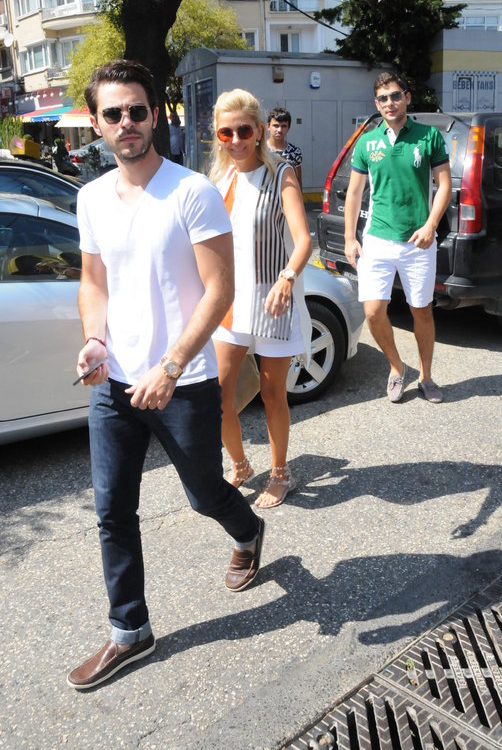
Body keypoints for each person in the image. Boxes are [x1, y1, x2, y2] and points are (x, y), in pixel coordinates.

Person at [67, 60, 263, 691]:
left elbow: (220, 288)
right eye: (114, 113)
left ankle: (248, 529)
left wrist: (172, 365)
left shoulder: (191, 192)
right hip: (115, 383)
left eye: (137, 110)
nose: (127, 122)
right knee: (111, 510)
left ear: (155, 115)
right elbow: (94, 281)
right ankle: (130, 630)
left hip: (186, 379)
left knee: (204, 494)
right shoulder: (91, 197)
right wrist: (94, 340)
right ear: (97, 122)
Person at [210, 89, 312, 509]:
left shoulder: (281, 174)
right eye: (226, 132)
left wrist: (287, 277)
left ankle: (280, 472)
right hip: (229, 303)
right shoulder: (217, 183)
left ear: (257, 131)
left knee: (273, 395)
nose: (235, 140)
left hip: (273, 300)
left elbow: (303, 240)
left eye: (243, 131)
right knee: (219, 396)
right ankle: (239, 465)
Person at [344, 71, 451, 403]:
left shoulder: (429, 136)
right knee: (373, 312)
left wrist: (431, 225)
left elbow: (444, 185)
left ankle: (426, 377)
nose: (389, 102)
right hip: (377, 240)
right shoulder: (367, 142)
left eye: (394, 95)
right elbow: (354, 193)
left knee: (421, 311)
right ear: (376, 104)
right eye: (382, 98)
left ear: (407, 97)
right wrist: (350, 237)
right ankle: (396, 367)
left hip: (418, 242)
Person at [266, 107, 302, 189]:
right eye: (276, 126)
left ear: (288, 128)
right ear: (268, 126)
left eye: (284, 126)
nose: (279, 130)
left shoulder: (295, 152)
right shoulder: (260, 150)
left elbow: (298, 181)